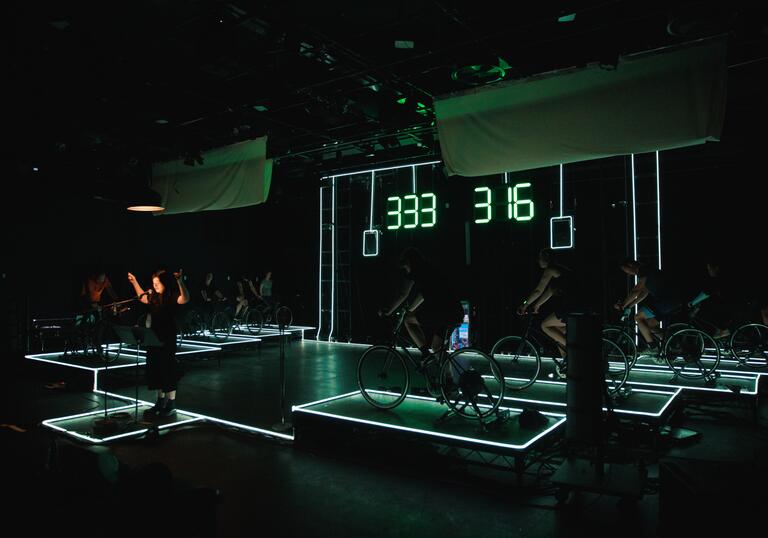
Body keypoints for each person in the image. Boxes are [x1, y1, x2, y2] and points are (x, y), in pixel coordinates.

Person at [382, 248, 463, 368]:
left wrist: (388, 311)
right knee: (437, 348)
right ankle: (449, 381)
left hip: (442, 312)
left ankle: (425, 353)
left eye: (405, 267)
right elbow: (422, 296)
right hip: (455, 312)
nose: (406, 270)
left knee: (408, 321)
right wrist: (409, 309)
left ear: (409, 262)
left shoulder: (416, 271)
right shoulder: (429, 270)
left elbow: (403, 294)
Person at [128, 269, 190, 417]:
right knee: (156, 369)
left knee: (168, 369)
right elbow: (142, 298)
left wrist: (180, 281)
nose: (155, 286)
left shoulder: (171, 296)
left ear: (165, 283)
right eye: (153, 283)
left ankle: (171, 403)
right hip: (153, 337)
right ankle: (160, 401)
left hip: (167, 337)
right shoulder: (154, 296)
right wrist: (134, 282)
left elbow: (185, 298)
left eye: (157, 283)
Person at [515, 248, 576, 377]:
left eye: (539, 258)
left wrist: (524, 305)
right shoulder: (558, 271)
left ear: (546, 259)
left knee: (545, 325)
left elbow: (538, 290)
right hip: (575, 305)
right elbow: (549, 292)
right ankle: (569, 364)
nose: (538, 261)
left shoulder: (550, 270)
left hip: (572, 306)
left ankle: (575, 350)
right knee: (558, 335)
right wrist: (537, 305)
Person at [615, 259, 685, 356]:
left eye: (625, 270)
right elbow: (643, 293)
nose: (627, 273)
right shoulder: (648, 270)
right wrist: (629, 306)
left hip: (666, 301)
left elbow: (636, 291)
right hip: (671, 301)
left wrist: (623, 304)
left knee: (638, 317)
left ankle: (653, 348)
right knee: (648, 325)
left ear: (630, 265)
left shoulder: (643, 270)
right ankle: (675, 345)